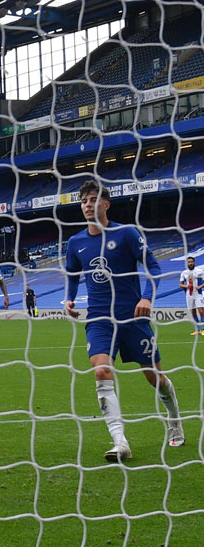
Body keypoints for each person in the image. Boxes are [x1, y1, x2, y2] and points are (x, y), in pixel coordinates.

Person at [64, 181, 184, 462]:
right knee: (101, 371)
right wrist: (69, 298)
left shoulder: (127, 233)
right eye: (83, 201)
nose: (87, 205)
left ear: (106, 204)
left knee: (154, 377)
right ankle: (120, 441)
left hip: (133, 318)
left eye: (93, 200)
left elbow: (153, 266)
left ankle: (174, 419)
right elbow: (71, 274)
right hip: (99, 320)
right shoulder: (76, 243)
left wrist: (147, 298)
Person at [178, 256, 204, 335]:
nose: (190, 263)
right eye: (189, 262)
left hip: (198, 293)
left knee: (201, 310)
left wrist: (200, 286)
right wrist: (186, 286)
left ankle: (203, 329)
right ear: (187, 263)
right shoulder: (184, 273)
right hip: (189, 294)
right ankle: (197, 330)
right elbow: (181, 285)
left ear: (194, 262)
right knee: (193, 312)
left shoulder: (200, 271)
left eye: (191, 262)